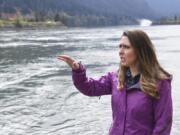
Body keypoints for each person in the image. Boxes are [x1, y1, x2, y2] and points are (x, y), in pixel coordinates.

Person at [57, 30, 173, 135]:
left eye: (126, 47)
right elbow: (89, 88)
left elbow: (163, 126)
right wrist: (78, 70)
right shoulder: (115, 78)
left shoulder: (160, 83)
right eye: (120, 46)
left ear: (140, 51)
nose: (120, 52)